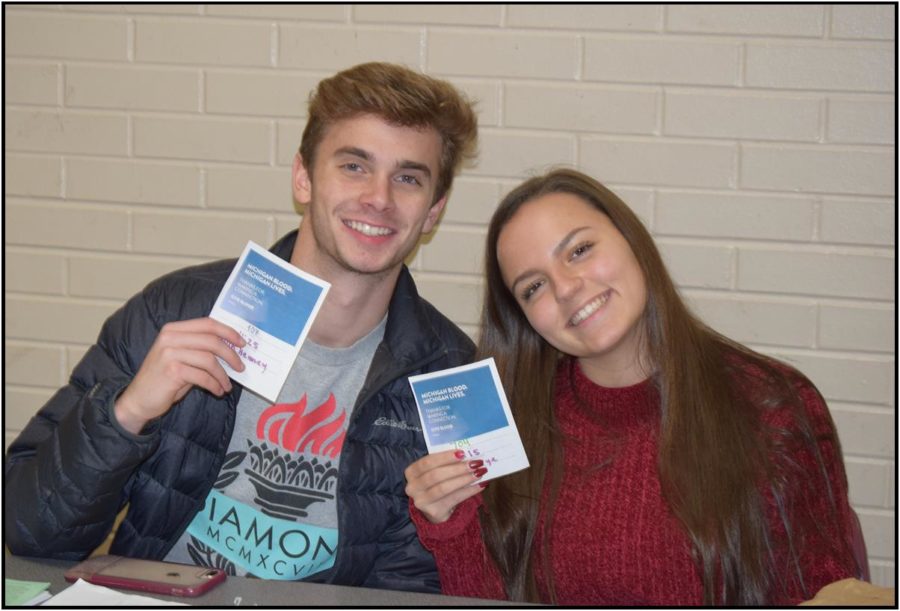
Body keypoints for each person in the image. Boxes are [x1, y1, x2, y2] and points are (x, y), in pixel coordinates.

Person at [5, 62, 478, 593]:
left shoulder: (451, 375)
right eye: (353, 166)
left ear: (433, 211)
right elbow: (31, 534)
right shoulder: (178, 310)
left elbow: (411, 587)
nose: (379, 198)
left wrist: (447, 526)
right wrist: (128, 412)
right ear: (303, 177)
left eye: (408, 178)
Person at [404, 168, 861, 605]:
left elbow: (824, 590)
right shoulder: (509, 427)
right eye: (534, 287)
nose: (565, 287)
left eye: (579, 250)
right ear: (524, 320)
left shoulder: (771, 405)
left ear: (632, 241)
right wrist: (450, 524)